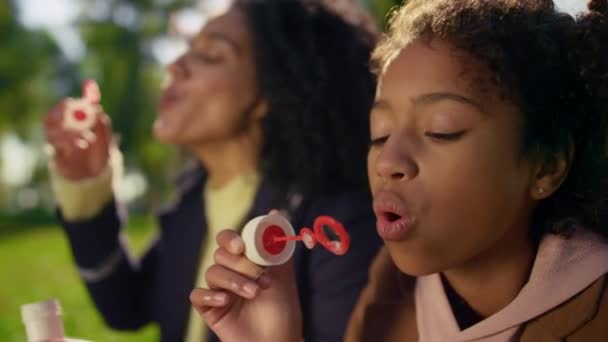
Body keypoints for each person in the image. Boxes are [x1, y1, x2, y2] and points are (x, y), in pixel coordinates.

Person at [191, 0, 608, 341]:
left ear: (546, 168)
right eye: (379, 134)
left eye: (441, 130)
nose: (389, 162)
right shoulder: (389, 289)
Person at [42, 0, 383, 341]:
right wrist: (87, 186)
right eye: (188, 49)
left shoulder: (337, 224)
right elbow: (124, 307)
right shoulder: (192, 204)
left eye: (210, 55)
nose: (174, 66)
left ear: (271, 91)